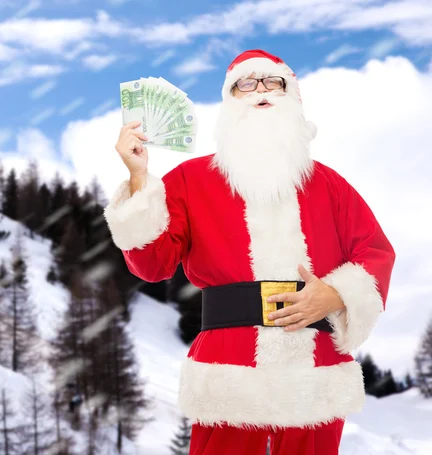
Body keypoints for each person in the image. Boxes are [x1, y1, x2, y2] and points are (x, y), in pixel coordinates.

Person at [103, 49, 396, 455]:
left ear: (293, 99)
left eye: (273, 82)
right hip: (229, 371)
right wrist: (138, 179)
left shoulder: (331, 186)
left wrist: (336, 294)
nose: (260, 90)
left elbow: (376, 252)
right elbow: (152, 266)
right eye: (246, 82)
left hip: (315, 372)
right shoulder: (190, 180)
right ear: (230, 102)